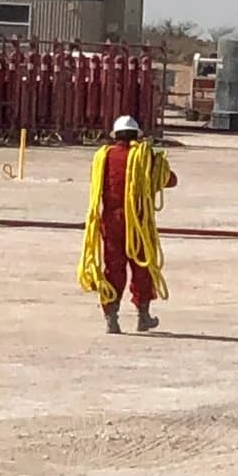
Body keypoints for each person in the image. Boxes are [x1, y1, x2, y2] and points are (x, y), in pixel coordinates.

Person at [80, 115, 177, 335]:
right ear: (136, 135)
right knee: (142, 268)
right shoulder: (146, 158)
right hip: (139, 223)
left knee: (113, 270)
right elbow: (170, 180)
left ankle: (111, 317)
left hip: (111, 222)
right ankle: (143, 316)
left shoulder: (104, 157)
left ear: (116, 135)